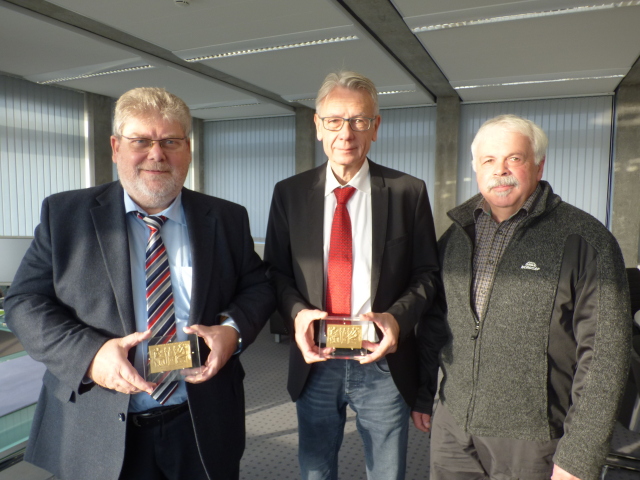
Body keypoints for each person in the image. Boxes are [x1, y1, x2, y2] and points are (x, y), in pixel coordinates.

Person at [5, 87, 275, 480]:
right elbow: (24, 301)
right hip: (97, 425)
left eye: (170, 141)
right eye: (141, 141)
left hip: (200, 419)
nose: (156, 154)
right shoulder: (65, 214)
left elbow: (259, 285)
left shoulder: (227, 218)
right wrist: (91, 356)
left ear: (188, 148)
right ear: (116, 147)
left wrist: (232, 331)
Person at [426, 114, 631, 480]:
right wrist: (421, 394)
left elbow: (605, 357)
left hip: (533, 443)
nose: (499, 171)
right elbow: (434, 325)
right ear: (475, 168)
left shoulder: (585, 239)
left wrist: (580, 454)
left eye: (514, 159)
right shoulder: (455, 237)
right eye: (488, 160)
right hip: (454, 431)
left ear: (539, 165)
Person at [263, 71, 446, 480]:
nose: (346, 132)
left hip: (382, 358)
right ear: (318, 126)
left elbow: (427, 274)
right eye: (335, 120)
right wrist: (296, 315)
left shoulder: (407, 192)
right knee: (316, 468)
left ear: (375, 127)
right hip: (317, 357)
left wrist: (396, 318)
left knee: (386, 471)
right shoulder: (289, 194)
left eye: (359, 120)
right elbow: (274, 272)